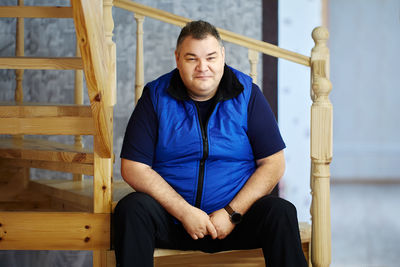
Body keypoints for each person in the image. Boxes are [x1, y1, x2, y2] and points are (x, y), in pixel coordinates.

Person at [114, 20, 307, 267]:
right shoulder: (154, 96)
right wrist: (184, 212)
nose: (202, 67)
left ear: (223, 56)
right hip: (174, 221)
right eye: (192, 58)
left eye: (211, 57)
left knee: (281, 212)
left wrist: (230, 213)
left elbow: (274, 163)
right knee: (131, 209)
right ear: (177, 59)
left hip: (235, 222)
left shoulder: (247, 94)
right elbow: (133, 166)